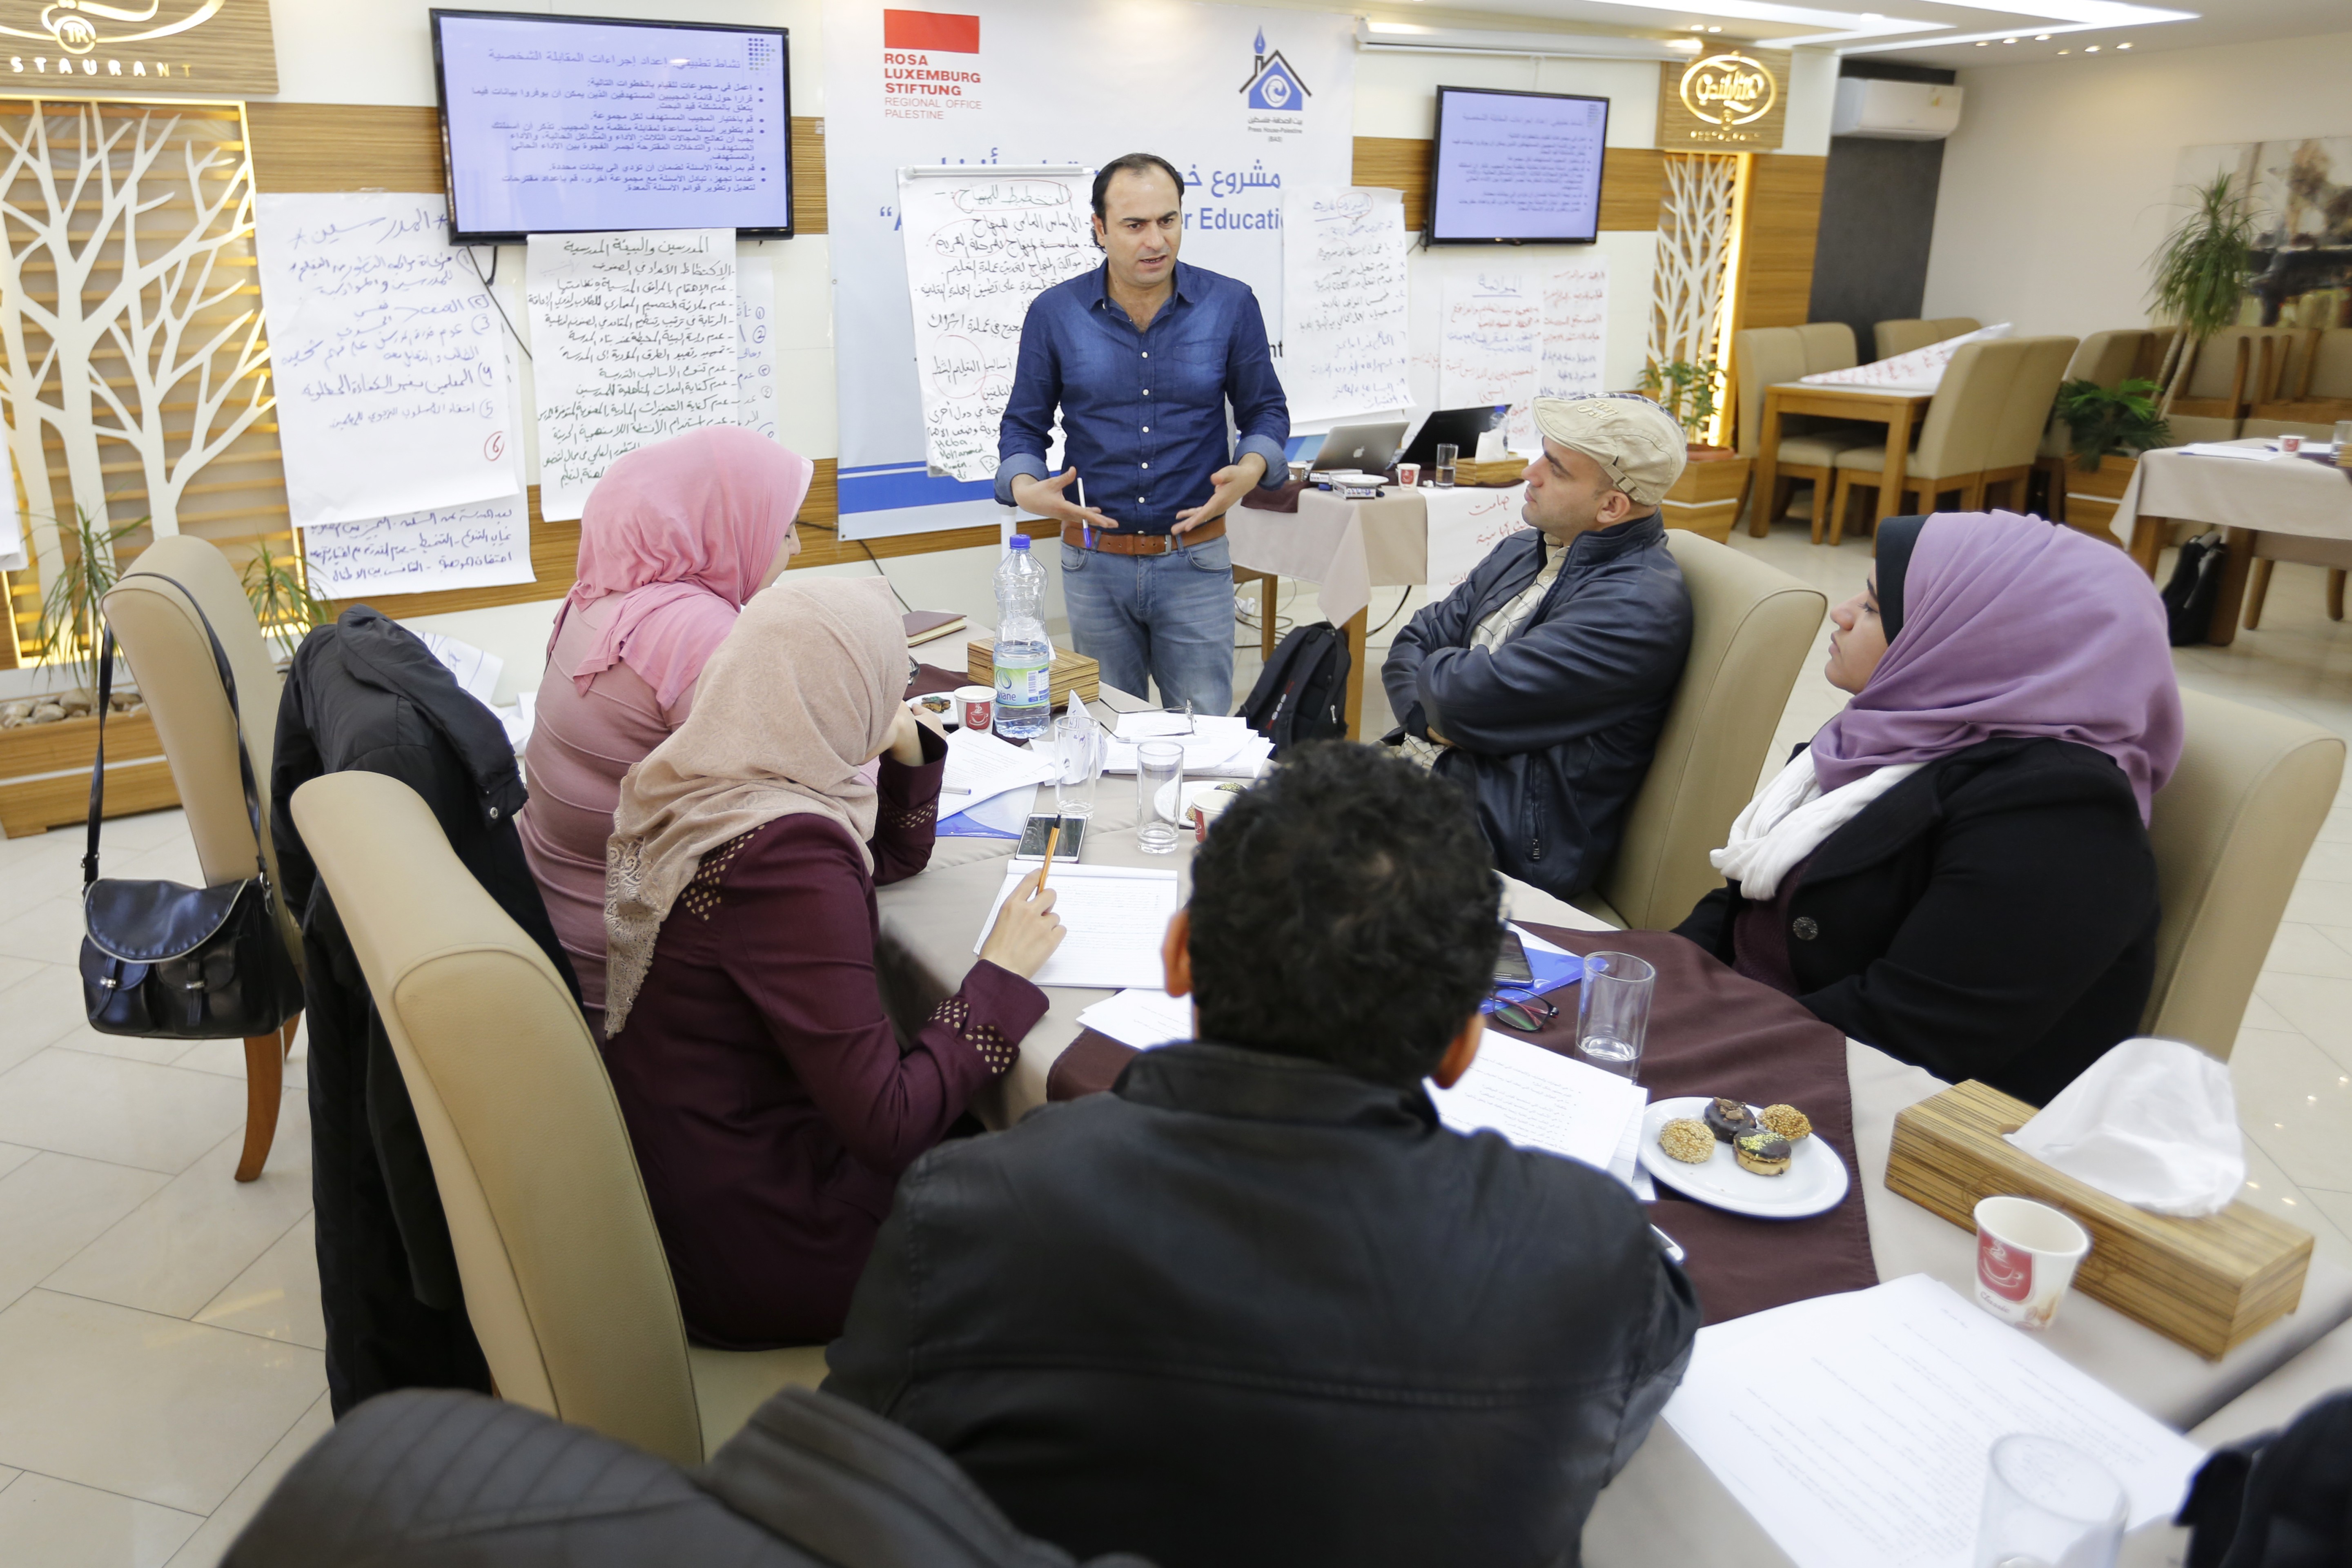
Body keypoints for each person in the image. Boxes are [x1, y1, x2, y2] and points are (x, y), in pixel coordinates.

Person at [824, 743, 1698, 1568]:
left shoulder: (966, 1206)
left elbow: (840, 1490)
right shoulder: (1588, 1249)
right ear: (1462, 1048)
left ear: (1179, 957)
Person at [599, 578, 1067, 1348]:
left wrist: (907, 744)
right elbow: (889, 1125)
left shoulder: (712, 779)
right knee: (1062, 1198)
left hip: (701, 1185)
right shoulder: (788, 857)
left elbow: (882, 862)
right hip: (777, 1240)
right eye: (890, 681)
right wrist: (1000, 976)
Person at [1674, 511, 2183, 1105]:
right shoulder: (1887, 736)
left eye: (1872, 608)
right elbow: (1743, 904)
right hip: (1768, 1047)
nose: (1842, 614)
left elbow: (1910, 1033)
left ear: (1972, 644)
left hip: (1863, 1109)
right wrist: (1646, 981)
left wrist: (1680, 1036)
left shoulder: (2063, 817)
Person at [519, 426, 813, 1034]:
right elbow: (807, 798)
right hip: (630, 990)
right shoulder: (690, 629)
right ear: (729, 525)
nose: (796, 547)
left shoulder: (601, 597)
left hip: (554, 935)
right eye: (784, 528)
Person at [995, 151, 1290, 716]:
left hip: (1196, 559)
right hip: (1094, 566)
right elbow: (1023, 425)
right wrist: (1026, 487)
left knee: (1202, 733)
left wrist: (1251, 469)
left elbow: (1267, 411)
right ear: (1100, 229)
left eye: (1168, 220)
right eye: (1134, 225)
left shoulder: (1230, 304)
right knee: (1107, 727)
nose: (1156, 241)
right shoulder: (1055, 313)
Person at [1381, 393, 1694, 902]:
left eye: (1556, 468)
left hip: (1499, 840)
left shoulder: (1635, 607)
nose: (1530, 473)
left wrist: (1447, 703)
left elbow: (1461, 701)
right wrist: (1429, 717)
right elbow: (1414, 639)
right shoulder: (1526, 547)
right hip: (1430, 779)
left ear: (1611, 507)